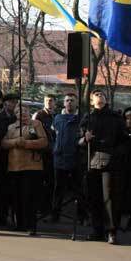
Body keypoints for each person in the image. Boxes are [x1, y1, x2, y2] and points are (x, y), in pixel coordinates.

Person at [79, 89, 125, 244]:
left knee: (109, 198)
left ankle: (111, 231)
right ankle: (96, 230)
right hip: (91, 162)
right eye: (96, 96)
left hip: (110, 163)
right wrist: (85, 139)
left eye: (102, 95)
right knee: (93, 198)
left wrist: (113, 153)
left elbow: (124, 141)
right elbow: (78, 142)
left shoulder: (115, 118)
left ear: (106, 99)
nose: (99, 97)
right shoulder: (87, 118)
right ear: (92, 101)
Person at [2, 105, 48, 235]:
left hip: (32, 166)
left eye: (25, 111)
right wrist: (16, 142)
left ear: (29, 112)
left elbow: (44, 142)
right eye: (18, 111)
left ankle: (31, 225)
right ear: (15, 114)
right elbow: (4, 143)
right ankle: (19, 224)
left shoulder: (36, 124)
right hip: (14, 166)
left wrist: (27, 144)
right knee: (16, 197)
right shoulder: (11, 127)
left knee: (29, 197)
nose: (22, 113)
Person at [50, 93, 81, 222]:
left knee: (78, 189)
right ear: (64, 103)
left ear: (76, 103)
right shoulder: (57, 118)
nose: (69, 103)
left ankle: (81, 215)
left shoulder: (81, 118)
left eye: (72, 101)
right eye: (67, 100)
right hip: (59, 158)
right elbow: (53, 134)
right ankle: (55, 215)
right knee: (58, 188)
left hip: (75, 158)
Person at [0, 93, 19, 227]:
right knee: (1, 188)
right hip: (1, 157)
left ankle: (13, 216)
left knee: (13, 188)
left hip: (15, 158)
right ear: (5, 103)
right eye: (12, 102)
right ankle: (0, 216)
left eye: (16, 102)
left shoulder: (17, 118)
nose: (14, 105)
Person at [33, 94, 57, 215]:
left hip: (53, 152)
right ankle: (39, 207)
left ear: (54, 103)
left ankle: (47, 207)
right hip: (43, 152)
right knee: (40, 181)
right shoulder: (39, 115)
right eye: (46, 100)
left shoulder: (56, 116)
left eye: (51, 100)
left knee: (50, 181)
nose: (49, 102)